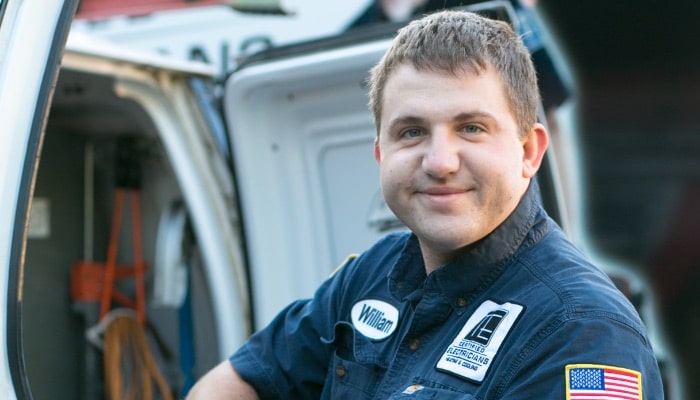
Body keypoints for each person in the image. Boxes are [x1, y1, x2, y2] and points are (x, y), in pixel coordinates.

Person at [187, 10, 663, 399]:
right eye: (411, 132)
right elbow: (233, 384)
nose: (439, 162)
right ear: (380, 153)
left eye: (471, 128)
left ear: (529, 152)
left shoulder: (582, 332)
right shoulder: (369, 277)